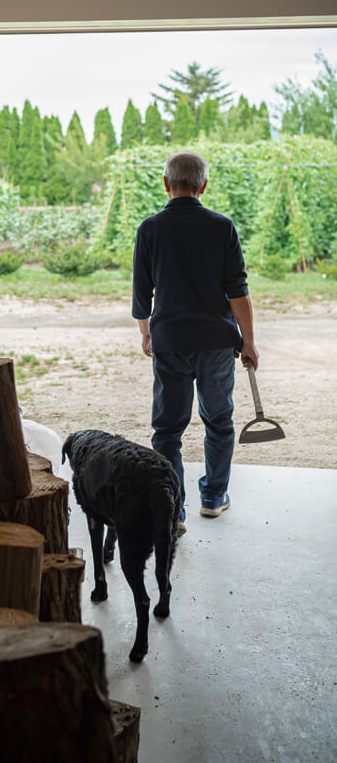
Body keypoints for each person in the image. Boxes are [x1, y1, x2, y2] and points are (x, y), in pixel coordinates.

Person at [132, 151, 259, 530]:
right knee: (218, 421)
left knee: (167, 429)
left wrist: (146, 332)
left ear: (166, 184)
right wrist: (248, 341)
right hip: (217, 343)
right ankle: (214, 496)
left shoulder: (150, 229)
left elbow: (142, 294)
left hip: (170, 341)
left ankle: (174, 509)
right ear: (204, 186)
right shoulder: (222, 227)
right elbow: (238, 292)